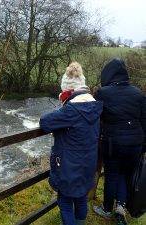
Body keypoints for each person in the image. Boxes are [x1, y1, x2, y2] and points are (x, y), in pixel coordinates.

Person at [40, 62, 103, 225]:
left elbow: (45, 122)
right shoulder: (94, 106)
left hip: (69, 166)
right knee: (81, 197)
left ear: (67, 91)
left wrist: (62, 107)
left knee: (65, 202)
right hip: (88, 163)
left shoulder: (70, 110)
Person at [93, 58, 146, 225]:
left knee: (112, 175)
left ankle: (107, 209)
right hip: (135, 144)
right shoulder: (138, 93)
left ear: (108, 74)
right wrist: (143, 146)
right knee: (125, 174)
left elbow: (96, 119)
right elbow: (144, 121)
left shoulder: (103, 93)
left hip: (113, 143)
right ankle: (121, 207)